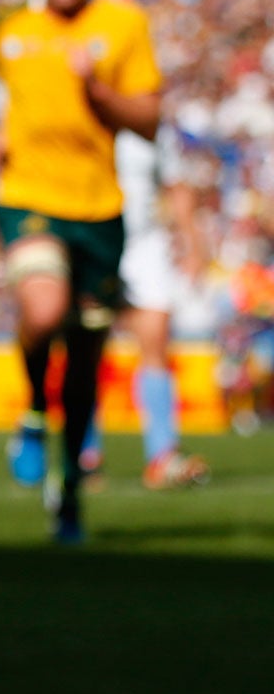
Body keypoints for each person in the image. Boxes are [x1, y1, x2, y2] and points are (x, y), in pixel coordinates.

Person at [0, 0, 162, 543]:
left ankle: (68, 494)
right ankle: (35, 413)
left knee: (89, 357)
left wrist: (98, 92)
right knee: (44, 311)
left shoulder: (124, 24)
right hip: (27, 196)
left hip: (100, 209)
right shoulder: (6, 25)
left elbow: (149, 116)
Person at [106, 123, 210, 490]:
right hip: (94, 235)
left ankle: (162, 455)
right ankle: (83, 455)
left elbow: (176, 187)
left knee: (155, 338)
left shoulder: (152, 128)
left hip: (143, 243)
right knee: (85, 339)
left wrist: (192, 242)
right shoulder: (80, 111)